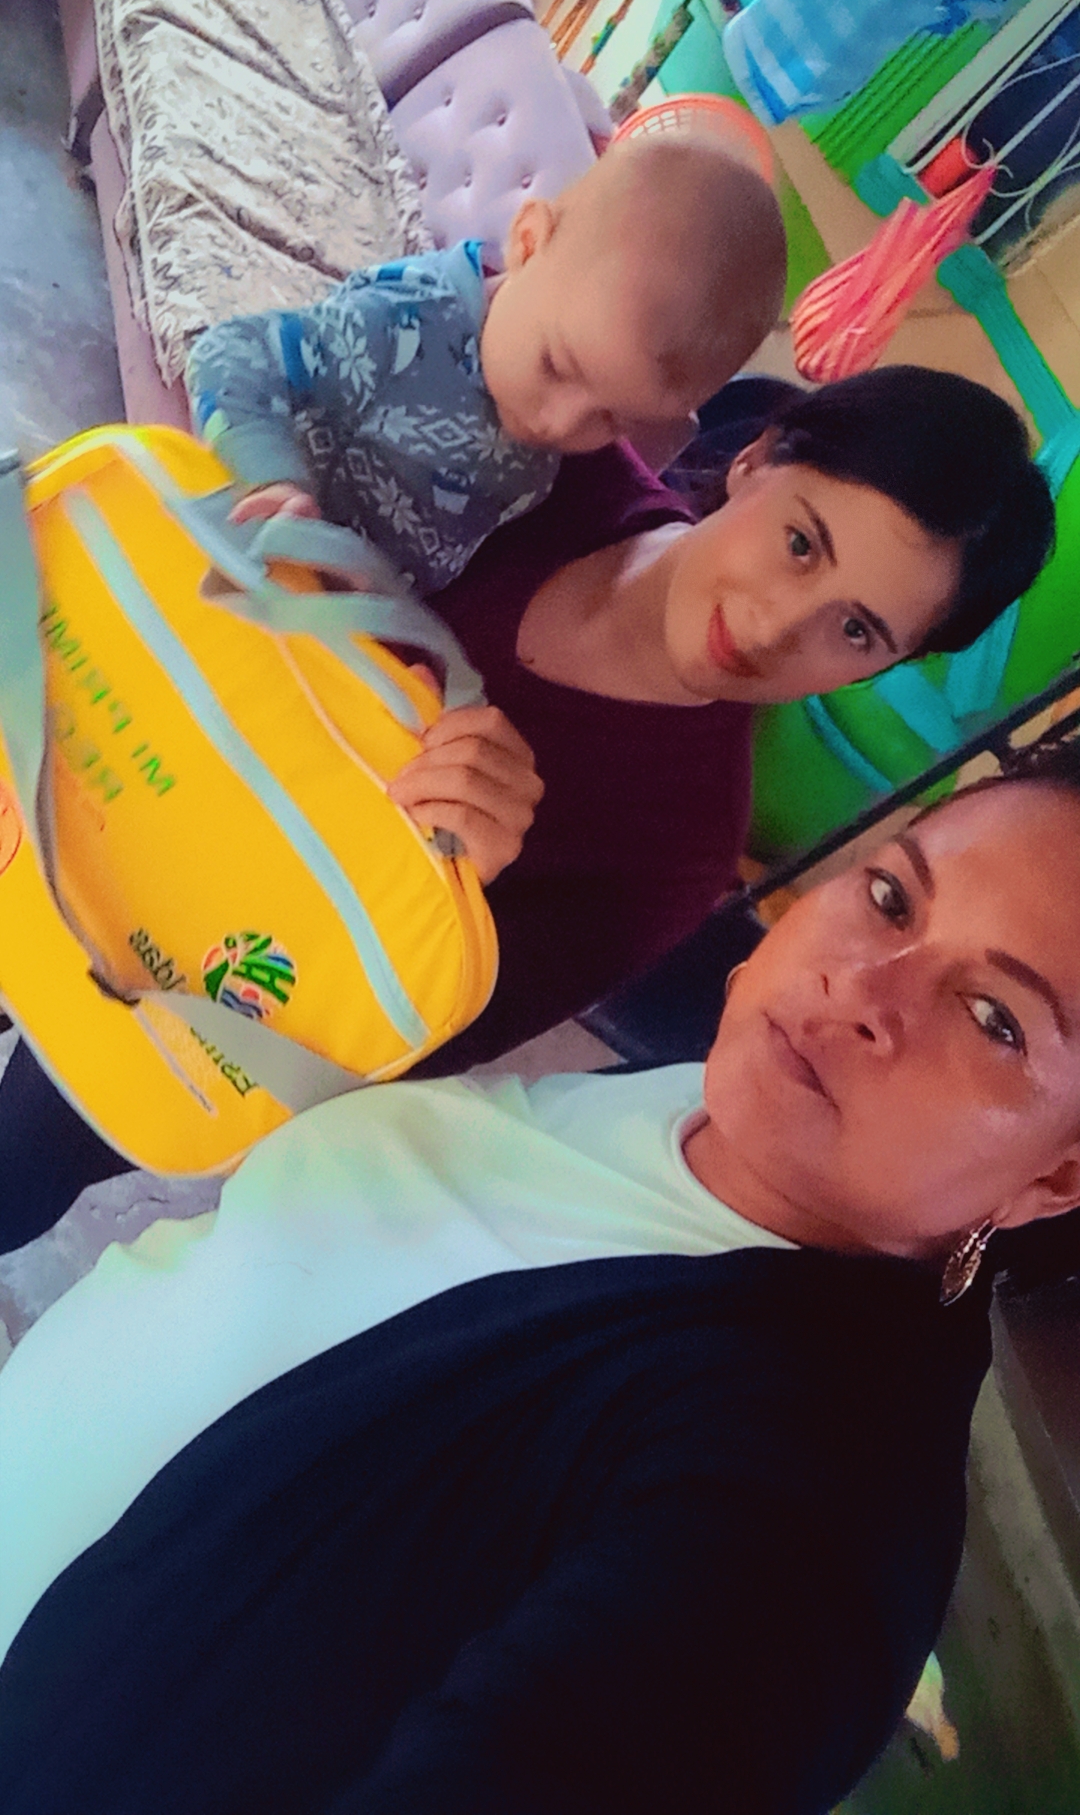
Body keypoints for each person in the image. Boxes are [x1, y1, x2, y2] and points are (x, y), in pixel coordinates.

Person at [4, 737, 1080, 1815]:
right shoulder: (725, 1111)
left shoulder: (814, 1512)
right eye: (892, 898)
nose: (863, 988)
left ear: (1057, 1176)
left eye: (995, 1021)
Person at [0, 365, 1055, 1252]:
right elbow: (259, 377)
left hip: (157, 969)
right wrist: (274, 492)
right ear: (757, 459)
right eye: (801, 543)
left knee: (22, 1156)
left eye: (856, 631)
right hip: (73, 759)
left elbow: (379, 1067)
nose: (780, 624)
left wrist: (450, 890)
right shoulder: (542, 460)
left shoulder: (678, 845)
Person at [185, 135, 788, 594]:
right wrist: (274, 478)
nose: (556, 424)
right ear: (527, 242)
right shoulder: (404, 326)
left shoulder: (555, 385)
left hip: (348, 622)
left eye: (610, 419)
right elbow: (230, 353)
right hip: (249, 557)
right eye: (557, 366)